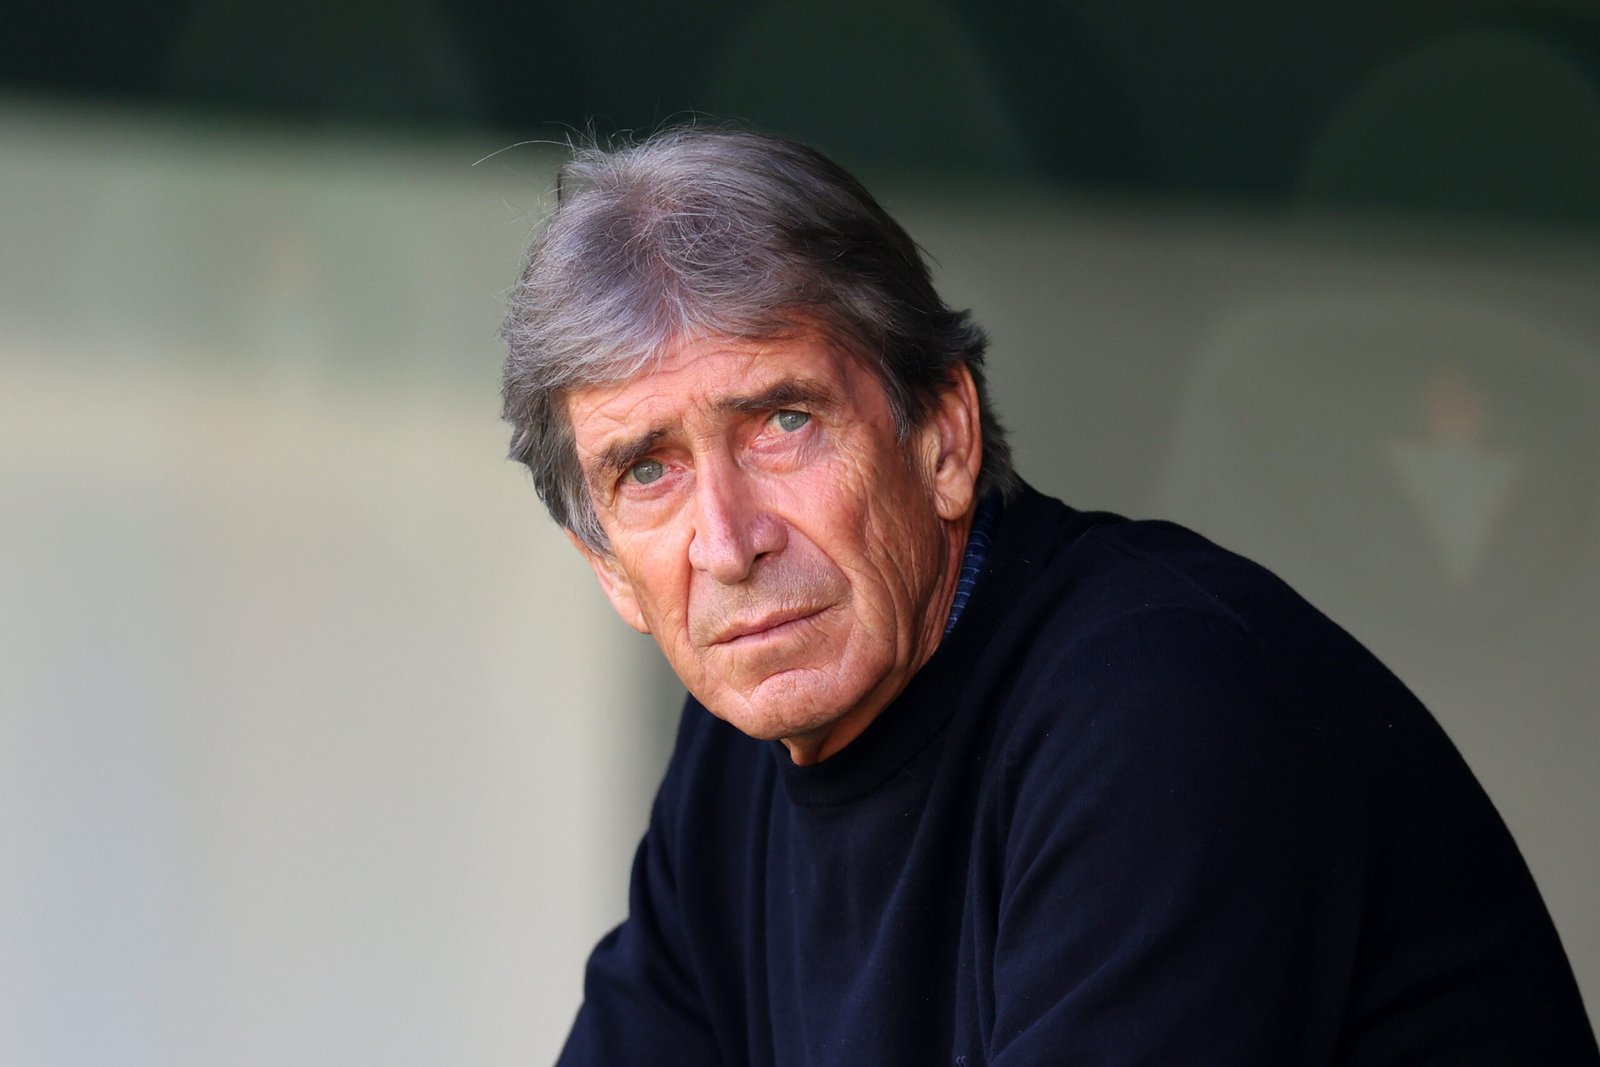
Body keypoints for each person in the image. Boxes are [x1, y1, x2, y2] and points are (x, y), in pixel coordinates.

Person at [501, 126, 1598, 1065]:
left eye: (784, 422)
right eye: (647, 470)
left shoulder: (1162, 712)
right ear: (607, 566)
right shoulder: (735, 752)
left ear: (943, 438)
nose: (729, 542)